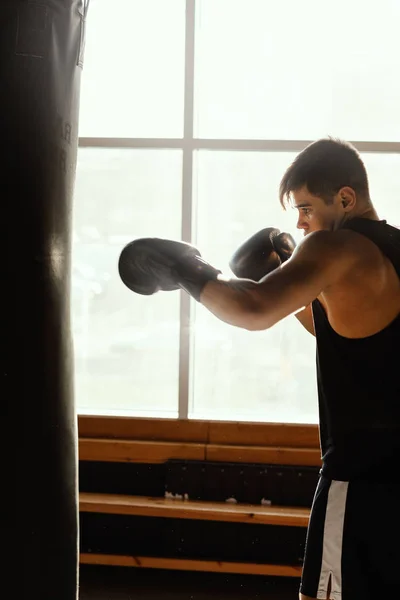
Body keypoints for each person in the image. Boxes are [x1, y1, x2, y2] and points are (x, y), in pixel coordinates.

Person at [119, 138, 400, 599]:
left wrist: (187, 269)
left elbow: (251, 308)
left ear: (345, 199)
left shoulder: (334, 246)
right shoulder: (392, 251)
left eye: (307, 207)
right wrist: (293, 285)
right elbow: (350, 334)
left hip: (361, 488)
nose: (301, 223)